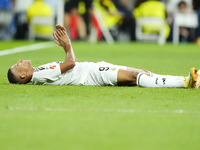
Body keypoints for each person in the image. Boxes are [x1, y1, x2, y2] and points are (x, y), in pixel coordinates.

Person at [7, 25, 200, 88]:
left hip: (92, 70)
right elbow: (71, 63)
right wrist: (68, 46)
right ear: (23, 76)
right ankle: (185, 82)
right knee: (135, 76)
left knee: (140, 73)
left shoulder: (39, 73)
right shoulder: (39, 74)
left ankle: (189, 79)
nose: (19, 62)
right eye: (17, 67)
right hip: (91, 73)